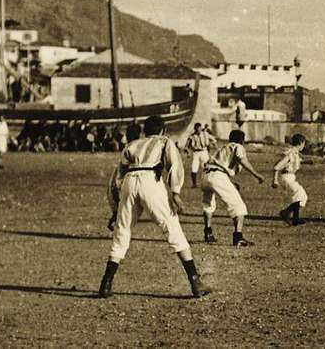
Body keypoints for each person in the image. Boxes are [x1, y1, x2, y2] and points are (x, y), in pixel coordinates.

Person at [97, 115, 209, 299]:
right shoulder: (164, 141)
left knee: (122, 231)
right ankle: (195, 281)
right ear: (162, 130)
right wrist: (175, 193)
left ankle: (106, 282)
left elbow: (116, 179)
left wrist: (115, 209)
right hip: (150, 180)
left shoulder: (132, 145)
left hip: (129, 181)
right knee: (172, 228)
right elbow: (174, 166)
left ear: (144, 131)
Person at [200, 129, 266, 246]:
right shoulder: (238, 146)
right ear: (242, 140)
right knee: (238, 206)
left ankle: (208, 232)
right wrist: (256, 175)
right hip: (218, 176)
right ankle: (238, 237)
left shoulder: (222, 148)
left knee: (208, 204)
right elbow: (242, 160)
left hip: (205, 175)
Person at [273, 134, 309, 226]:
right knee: (299, 194)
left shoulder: (295, 153)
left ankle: (290, 215)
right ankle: (290, 216)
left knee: (302, 196)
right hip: (286, 177)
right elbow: (277, 167)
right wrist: (275, 180)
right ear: (301, 143)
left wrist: (307, 162)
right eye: (303, 144)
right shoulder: (291, 153)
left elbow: (295, 161)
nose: (304, 146)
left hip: (290, 177)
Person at [185, 123, 213, 188]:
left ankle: (208, 183)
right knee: (194, 168)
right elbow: (186, 146)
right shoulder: (191, 136)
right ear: (195, 129)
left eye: (200, 128)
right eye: (197, 129)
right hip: (196, 153)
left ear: (201, 128)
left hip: (204, 152)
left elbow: (213, 141)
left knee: (206, 167)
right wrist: (188, 153)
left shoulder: (205, 134)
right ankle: (194, 184)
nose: (199, 130)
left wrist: (209, 151)